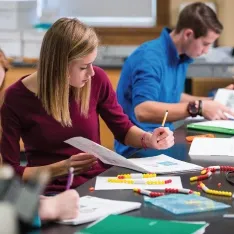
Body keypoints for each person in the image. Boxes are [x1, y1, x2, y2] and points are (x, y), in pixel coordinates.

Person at [0, 18, 174, 194]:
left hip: (98, 183)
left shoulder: (97, 79)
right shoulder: (16, 98)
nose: (91, 72)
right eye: (84, 67)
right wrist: (61, 168)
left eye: (92, 64)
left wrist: (149, 139)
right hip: (50, 192)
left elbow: (123, 130)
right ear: (60, 66)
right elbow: (12, 171)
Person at [114, 2, 234, 157]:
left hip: (164, 140)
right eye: (205, 44)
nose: (206, 51)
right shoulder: (150, 58)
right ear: (188, 34)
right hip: (139, 148)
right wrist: (198, 108)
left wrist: (213, 101)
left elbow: (171, 96)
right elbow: (142, 110)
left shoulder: (181, 56)